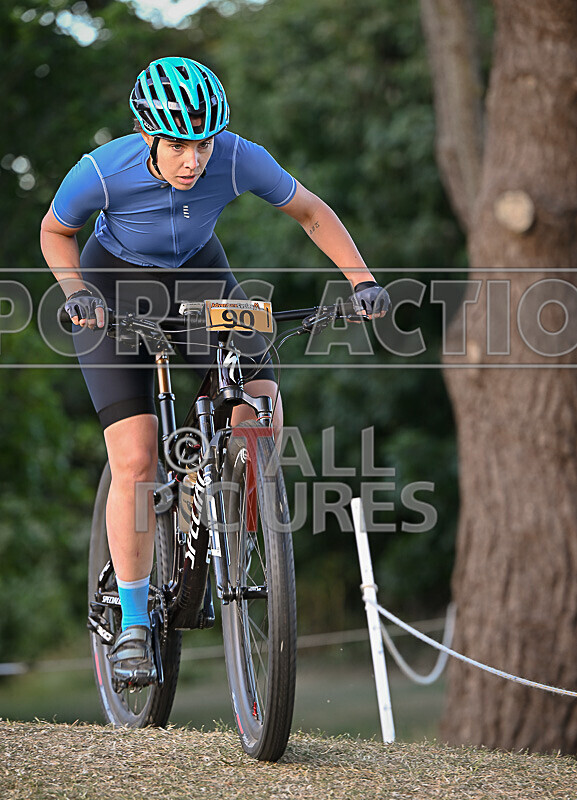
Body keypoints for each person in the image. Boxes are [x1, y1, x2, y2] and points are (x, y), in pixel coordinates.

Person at [40, 56, 390, 689]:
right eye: (178, 144)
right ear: (148, 133)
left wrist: (361, 281)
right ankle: (137, 622)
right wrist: (75, 292)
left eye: (202, 144)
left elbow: (311, 212)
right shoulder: (101, 171)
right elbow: (55, 232)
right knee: (138, 458)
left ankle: (228, 510)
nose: (192, 160)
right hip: (112, 284)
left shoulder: (238, 157)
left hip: (202, 276)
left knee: (261, 405)